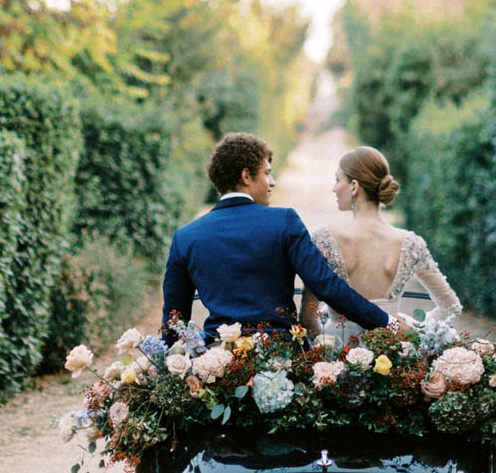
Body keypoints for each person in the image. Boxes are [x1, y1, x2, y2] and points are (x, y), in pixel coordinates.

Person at [161, 132, 397, 339]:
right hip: (281, 359)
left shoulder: (185, 237)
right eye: (267, 173)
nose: (272, 182)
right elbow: (327, 287)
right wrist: (388, 323)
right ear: (246, 176)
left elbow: (174, 322)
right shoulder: (284, 221)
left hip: (216, 365)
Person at [299, 144, 460, 337]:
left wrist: (325, 351)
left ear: (354, 187)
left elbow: (307, 318)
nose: (334, 188)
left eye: (337, 179)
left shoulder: (324, 239)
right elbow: (450, 307)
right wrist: (412, 330)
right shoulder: (411, 244)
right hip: (393, 355)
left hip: (337, 357)